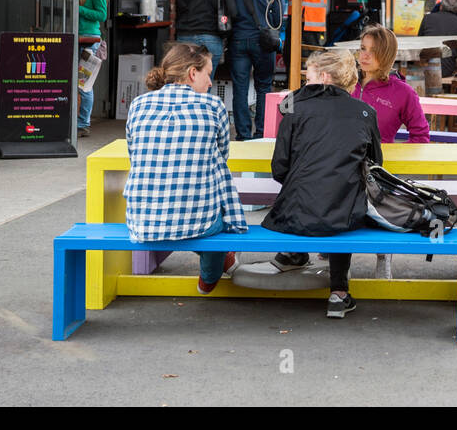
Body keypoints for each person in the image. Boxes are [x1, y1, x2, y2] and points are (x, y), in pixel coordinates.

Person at [265, 49, 382, 319]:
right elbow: (375, 164)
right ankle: (339, 294)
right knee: (341, 195)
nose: (305, 82)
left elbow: (279, 168)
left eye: (309, 76)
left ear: (325, 77)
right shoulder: (365, 111)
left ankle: (294, 254)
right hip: (347, 213)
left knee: (313, 194)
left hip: (294, 212)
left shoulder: (294, 107)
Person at [124, 42, 246, 294]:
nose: (211, 83)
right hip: (198, 221)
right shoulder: (213, 107)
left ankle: (219, 261)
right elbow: (221, 158)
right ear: (192, 73)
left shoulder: (138, 105)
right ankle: (209, 278)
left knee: (190, 212)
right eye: (208, 74)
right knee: (219, 219)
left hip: (143, 221)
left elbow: (133, 154)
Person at [352, 24, 428, 282]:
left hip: (378, 172)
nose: (364, 56)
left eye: (372, 51)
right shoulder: (345, 83)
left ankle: (384, 255)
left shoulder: (403, 92)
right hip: (341, 164)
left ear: (386, 55)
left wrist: (391, 158)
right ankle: (335, 256)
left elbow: (420, 136)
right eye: (362, 49)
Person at [226, 0, 285, 141]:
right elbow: (279, 11)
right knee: (263, 87)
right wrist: (277, 34)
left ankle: (242, 134)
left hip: (237, 39)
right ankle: (262, 132)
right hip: (263, 40)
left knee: (240, 88)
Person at [158, 0, 238, 90]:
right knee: (206, 87)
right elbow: (233, 11)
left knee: (182, 86)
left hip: (185, 38)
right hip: (212, 38)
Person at [77, 0, 108, 137]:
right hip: (81, 36)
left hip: (90, 39)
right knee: (80, 82)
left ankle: (83, 123)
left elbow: (102, 14)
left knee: (84, 84)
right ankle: (80, 122)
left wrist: (78, 9)